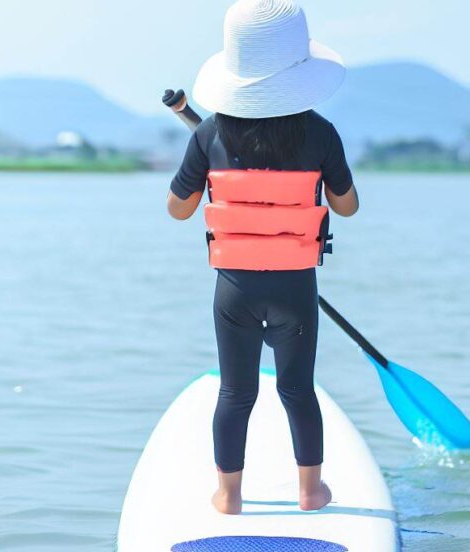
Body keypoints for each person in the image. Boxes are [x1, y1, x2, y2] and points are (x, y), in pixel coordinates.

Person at [166, 0, 359, 515]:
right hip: (295, 286)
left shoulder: (208, 134)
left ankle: (229, 496)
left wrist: (209, 171)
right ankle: (311, 492)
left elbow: (179, 211)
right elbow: (348, 205)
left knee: (235, 393)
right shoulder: (320, 133)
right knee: (297, 389)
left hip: (235, 288)